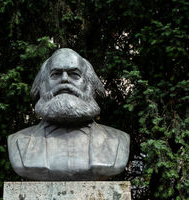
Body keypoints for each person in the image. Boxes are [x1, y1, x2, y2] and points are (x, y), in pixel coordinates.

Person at [8, 48, 130, 180]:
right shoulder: (18, 142)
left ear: (89, 85)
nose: (64, 80)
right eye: (55, 74)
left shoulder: (117, 141)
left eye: (74, 74)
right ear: (42, 85)